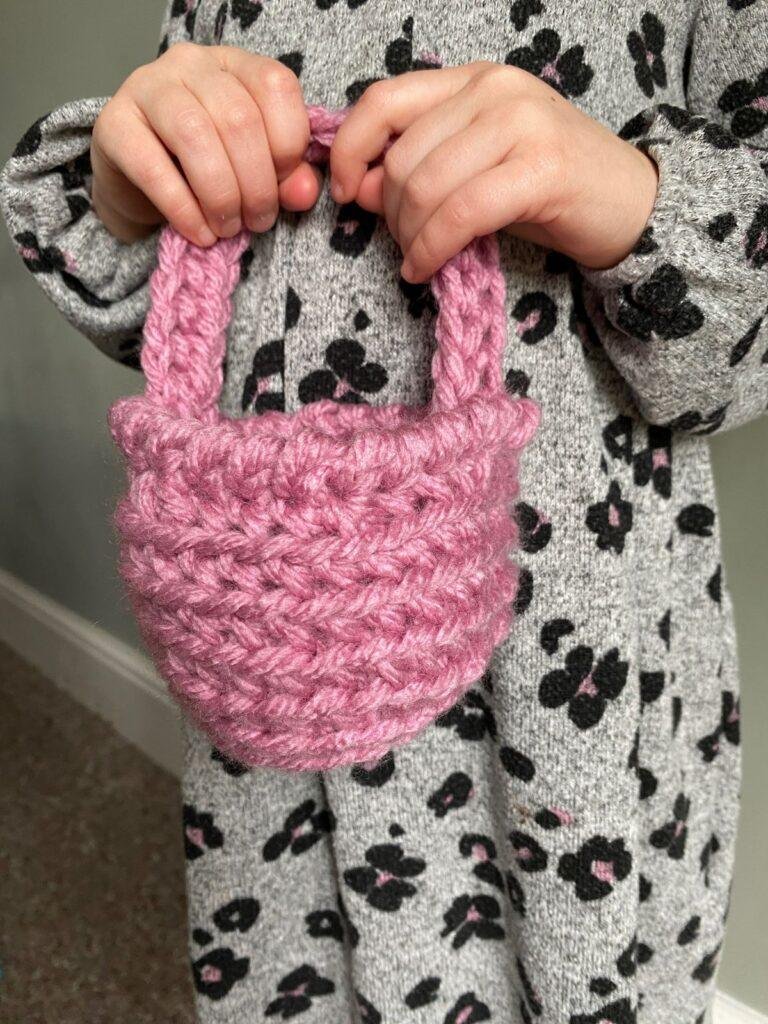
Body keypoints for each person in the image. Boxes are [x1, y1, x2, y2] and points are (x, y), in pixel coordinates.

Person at [2, 2, 766, 1021]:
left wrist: (622, 194)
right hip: (272, 625)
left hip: (561, 671)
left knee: (573, 965)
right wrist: (138, 181)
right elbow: (178, 302)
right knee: (296, 957)